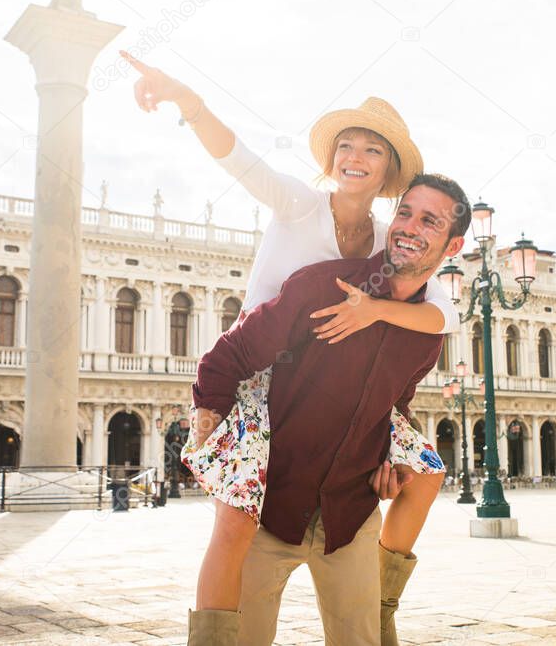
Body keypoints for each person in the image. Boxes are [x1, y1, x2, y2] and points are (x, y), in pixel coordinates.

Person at [122, 52, 459, 644]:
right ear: (331, 159)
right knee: (234, 519)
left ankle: (379, 603)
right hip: (259, 369)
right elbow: (237, 158)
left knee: (426, 472)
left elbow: (441, 313)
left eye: (372, 150)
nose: (354, 158)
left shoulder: (392, 237)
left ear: (389, 174)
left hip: (350, 369)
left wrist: (374, 309)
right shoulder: (300, 203)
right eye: (346, 147)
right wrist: (188, 102)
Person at [191, 175, 470, 644]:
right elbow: (227, 358)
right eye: (404, 213)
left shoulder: (428, 334)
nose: (409, 227)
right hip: (269, 510)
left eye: (429, 220)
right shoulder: (323, 286)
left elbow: (394, 404)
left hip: (350, 516)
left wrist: (391, 460)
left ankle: (383, 612)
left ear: (454, 244)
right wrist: (210, 445)